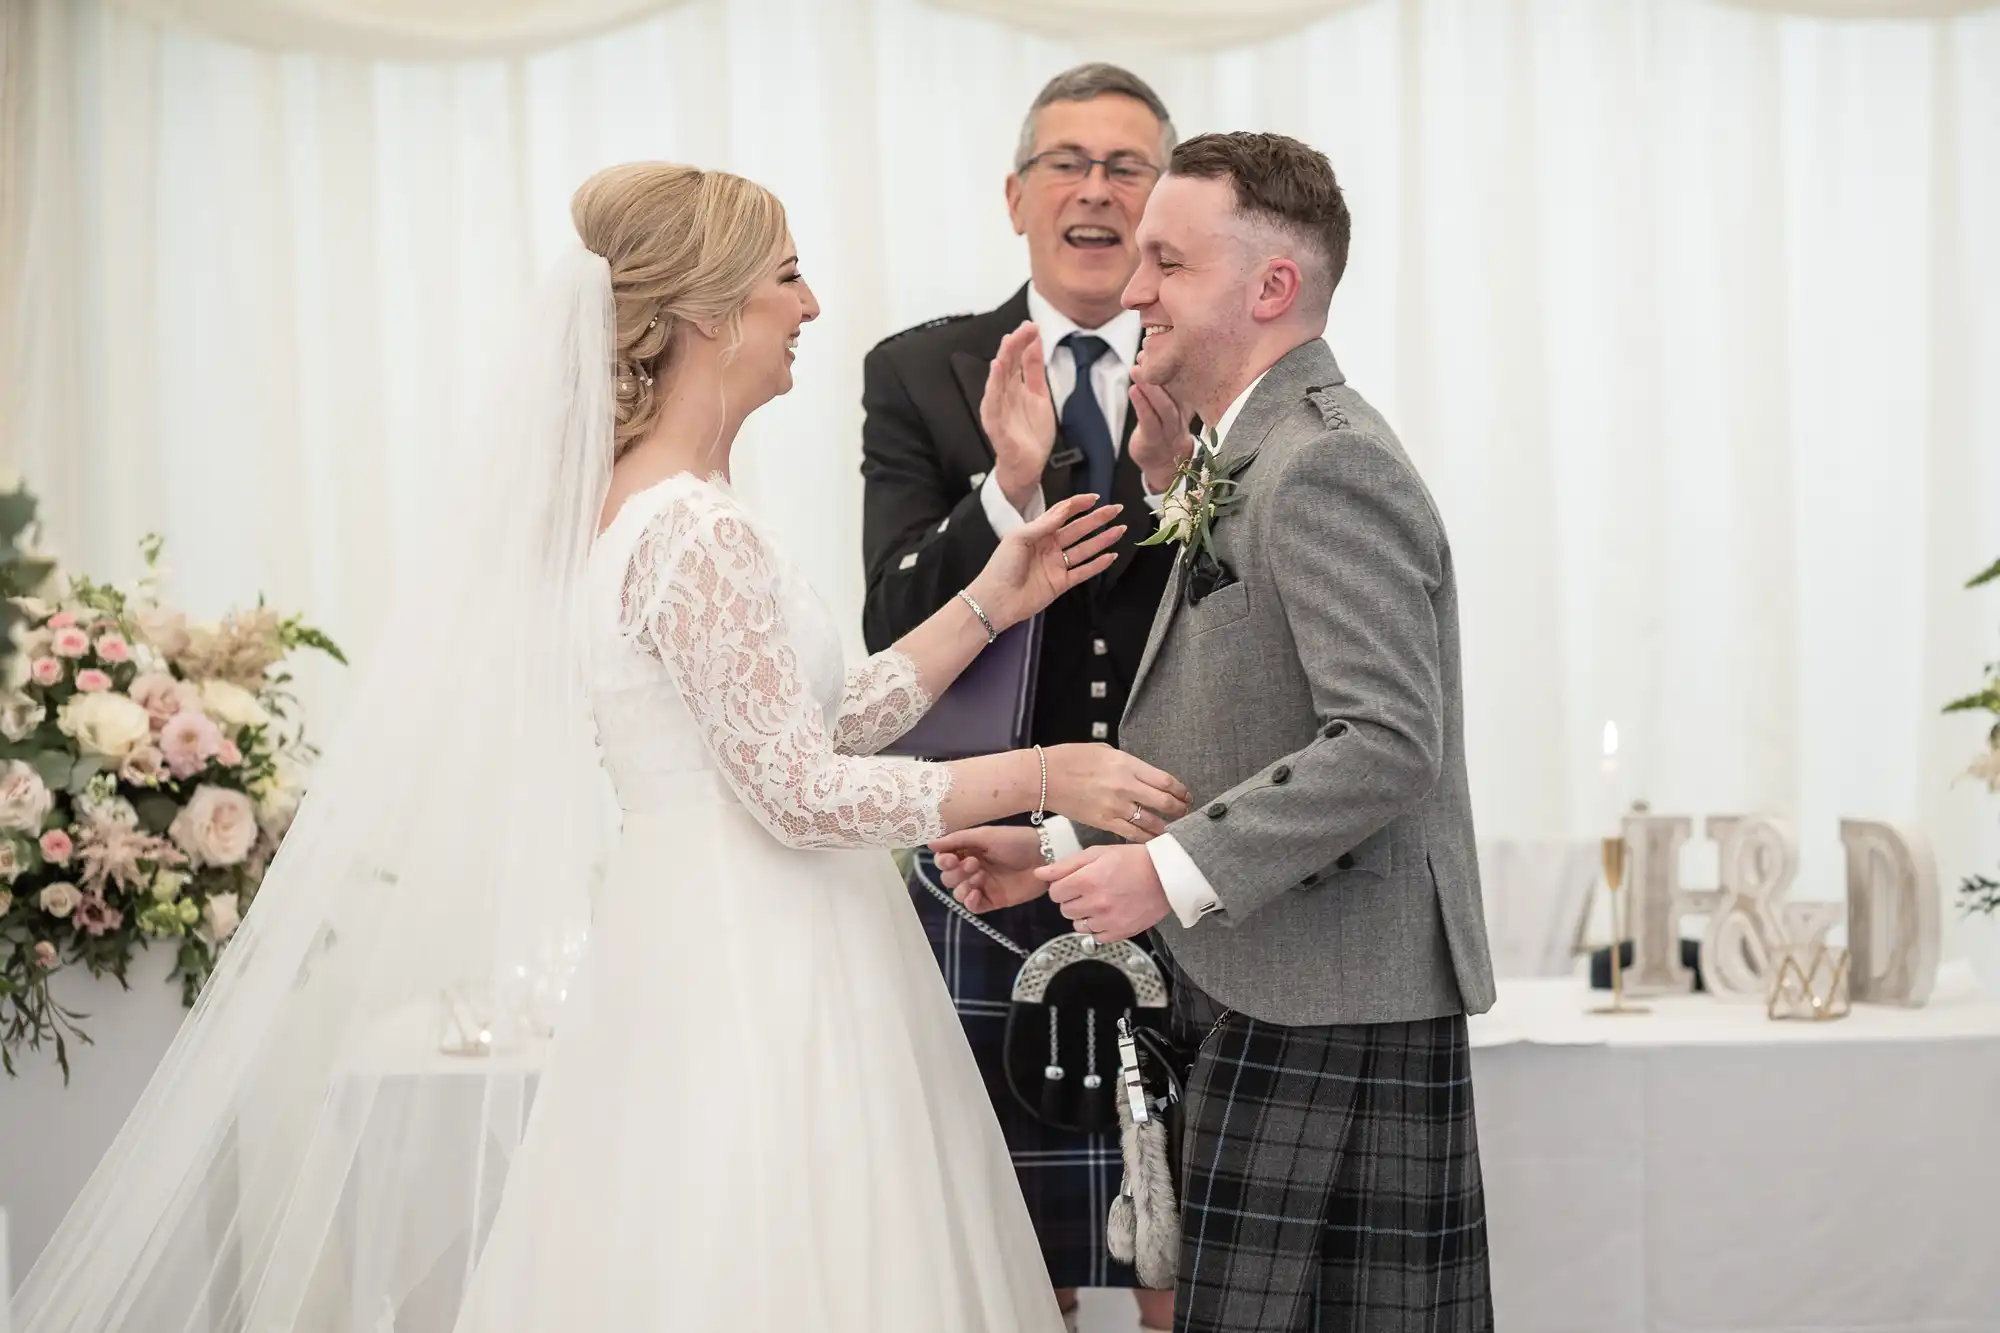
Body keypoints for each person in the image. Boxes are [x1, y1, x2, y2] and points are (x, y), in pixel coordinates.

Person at [8, 163, 1192, 1333]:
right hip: (758, 950)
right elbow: (797, 793)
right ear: (708, 311)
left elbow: (807, 726)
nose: (813, 307)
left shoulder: (656, 509)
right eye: (787, 275)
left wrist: (989, 594)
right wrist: (1051, 773)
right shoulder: (691, 529)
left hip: (722, 928)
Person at [936, 133, 1500, 1332]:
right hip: (1277, 979)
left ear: (1269, 288)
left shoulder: (1322, 465)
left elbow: (1389, 740)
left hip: (1330, 997)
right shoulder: (1240, 454)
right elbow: (1238, 723)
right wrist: (1054, 848)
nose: (1132, 291)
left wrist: (1164, 871)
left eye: (1166, 263)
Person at [860, 63, 1190, 1332]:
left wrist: (1168, 488)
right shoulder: (922, 371)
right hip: (986, 861)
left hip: (1178, 848)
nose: (1096, 191)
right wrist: (999, 492)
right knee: (1008, 1242)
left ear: (1164, 201)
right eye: (1068, 162)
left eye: (1127, 167)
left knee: (1183, 1231)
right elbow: (892, 628)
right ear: (1015, 194)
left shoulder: (1212, 369)